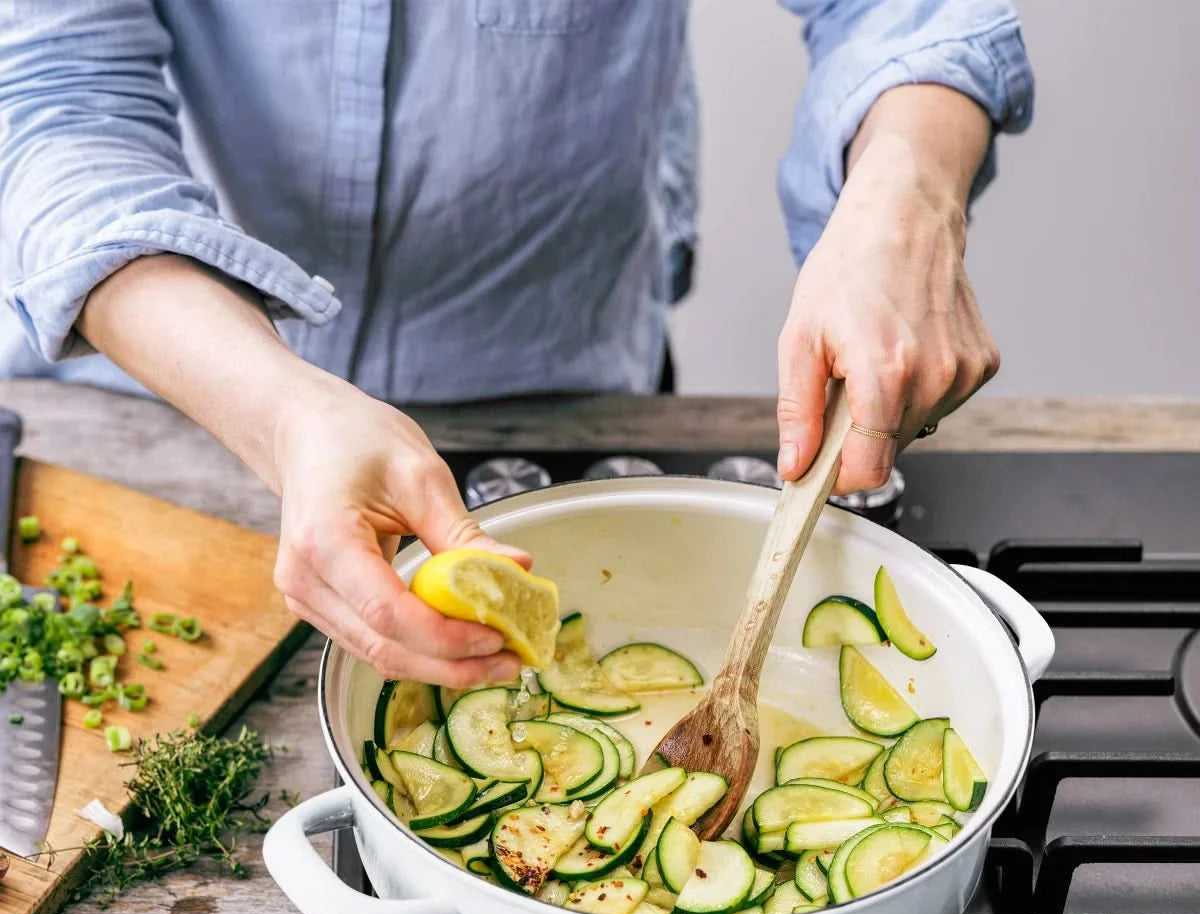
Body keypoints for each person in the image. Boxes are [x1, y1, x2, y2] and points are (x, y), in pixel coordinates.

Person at [0, 2, 1032, 687]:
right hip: (157, 398)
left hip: (564, 375)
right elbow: (49, 100)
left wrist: (909, 195)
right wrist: (277, 410)